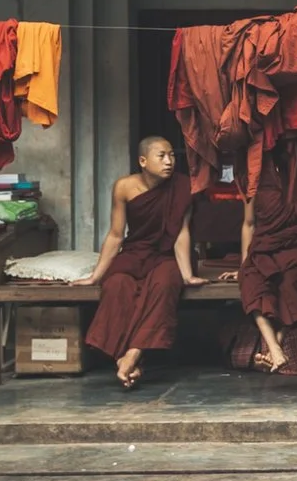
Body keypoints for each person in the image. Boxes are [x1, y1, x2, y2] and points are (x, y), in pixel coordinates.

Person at [82, 136, 205, 388]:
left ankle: (133, 353)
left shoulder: (184, 187)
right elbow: (116, 235)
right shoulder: (124, 187)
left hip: (168, 255)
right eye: (161, 156)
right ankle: (127, 360)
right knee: (116, 285)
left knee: (163, 285)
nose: (169, 161)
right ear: (143, 161)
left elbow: (182, 233)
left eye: (172, 155)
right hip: (135, 252)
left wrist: (187, 274)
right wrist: (95, 276)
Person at [238, 136, 297, 374]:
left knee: (290, 286)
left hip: (296, 251)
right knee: (252, 283)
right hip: (262, 250)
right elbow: (249, 224)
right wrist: (244, 264)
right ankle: (275, 348)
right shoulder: (258, 181)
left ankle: (274, 349)